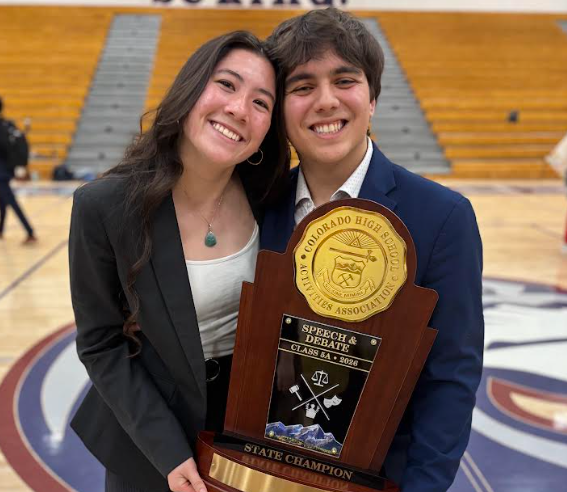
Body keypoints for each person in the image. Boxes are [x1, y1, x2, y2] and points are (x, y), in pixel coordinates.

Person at [261, 8, 484, 492]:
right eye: (301, 87)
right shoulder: (255, 208)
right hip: (259, 473)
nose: (325, 101)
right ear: (280, 110)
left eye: (345, 80)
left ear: (372, 97)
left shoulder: (442, 218)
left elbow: (450, 377)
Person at [68, 31, 288, 492]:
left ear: (269, 128)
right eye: (226, 84)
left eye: (261, 102)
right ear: (191, 89)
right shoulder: (105, 207)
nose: (238, 109)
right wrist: (169, 451)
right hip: (152, 443)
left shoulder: (273, 199)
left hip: (249, 445)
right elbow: (101, 344)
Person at [0, 96, 36, 244]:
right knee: (3, 202)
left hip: (1, 173)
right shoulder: (7, 125)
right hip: (6, 170)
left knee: (11, 202)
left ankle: (30, 232)